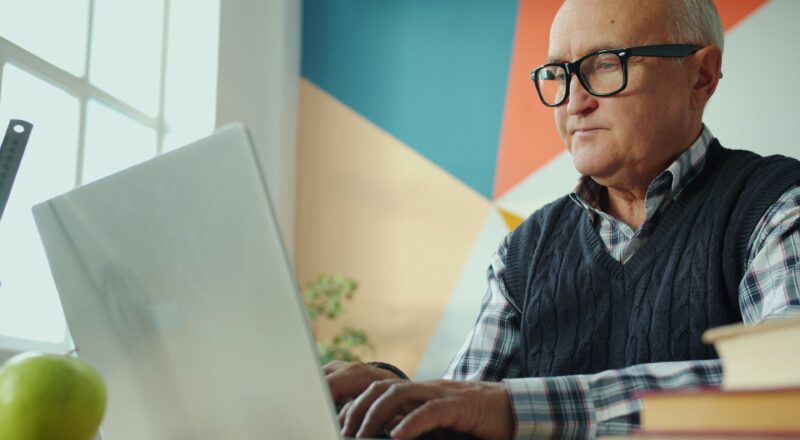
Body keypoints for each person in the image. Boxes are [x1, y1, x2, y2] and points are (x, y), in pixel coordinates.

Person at [325, 0, 800, 438]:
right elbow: (470, 406)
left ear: (701, 76)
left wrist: (516, 409)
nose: (574, 102)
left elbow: (785, 385)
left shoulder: (776, 203)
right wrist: (391, 400)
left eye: (607, 64)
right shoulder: (524, 251)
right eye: (560, 74)